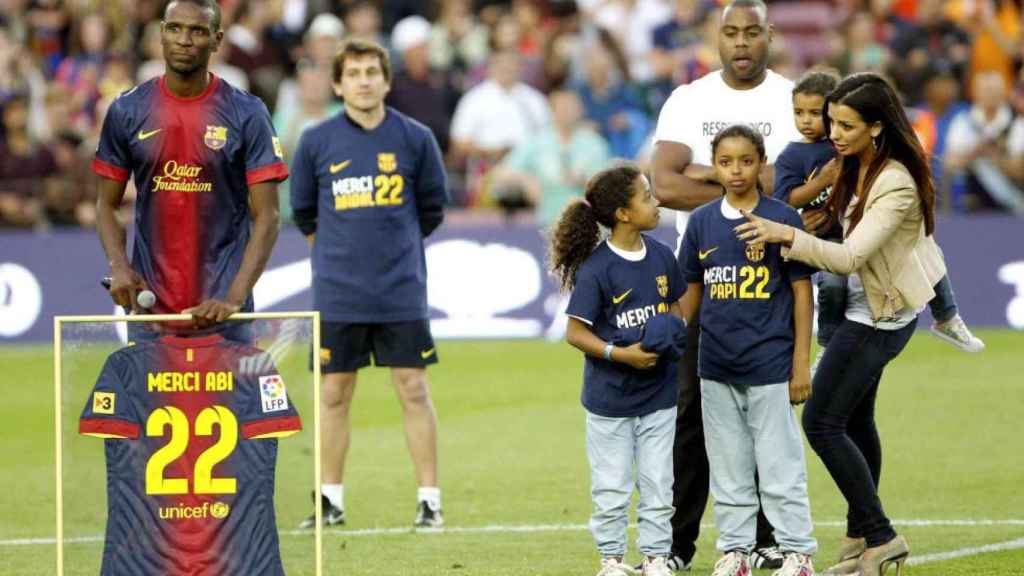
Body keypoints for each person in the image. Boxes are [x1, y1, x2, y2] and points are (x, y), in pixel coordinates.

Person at [735, 72, 947, 576]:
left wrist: (785, 234)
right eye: (831, 121)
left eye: (846, 125)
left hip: (878, 315)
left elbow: (851, 256)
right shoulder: (856, 165)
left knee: (822, 422)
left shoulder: (894, 181)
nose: (834, 132)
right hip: (863, 307)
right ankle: (858, 540)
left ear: (876, 127)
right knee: (854, 420)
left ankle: (880, 535)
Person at [651, 0, 799, 569]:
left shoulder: (790, 100)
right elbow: (662, 183)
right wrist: (743, 185)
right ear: (717, 37)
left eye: (752, 32)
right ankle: (677, 547)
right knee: (689, 413)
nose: (741, 43)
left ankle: (768, 542)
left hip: (773, 280)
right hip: (704, 275)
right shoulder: (689, 99)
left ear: (769, 34)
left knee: (767, 417)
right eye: (731, 33)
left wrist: (707, 174)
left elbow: (793, 186)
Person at [289, 39, 449, 529]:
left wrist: (391, 248)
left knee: (413, 388)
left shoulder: (416, 138)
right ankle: (329, 501)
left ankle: (429, 501)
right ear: (338, 84)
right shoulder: (315, 141)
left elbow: (432, 209)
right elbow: (303, 213)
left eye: (371, 72)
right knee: (334, 392)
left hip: (401, 289)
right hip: (339, 292)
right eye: (353, 73)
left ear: (386, 80)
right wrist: (344, 255)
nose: (363, 81)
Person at [94, 0, 287, 332]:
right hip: (151, 309)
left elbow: (267, 215)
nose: (184, 40)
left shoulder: (247, 113)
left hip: (224, 311)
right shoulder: (127, 110)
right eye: (175, 29)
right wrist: (120, 266)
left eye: (198, 31)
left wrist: (234, 297)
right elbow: (106, 204)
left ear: (217, 40)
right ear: (161, 34)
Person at [680, 124, 816, 576]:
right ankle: (735, 551)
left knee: (779, 464)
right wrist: (670, 337)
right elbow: (691, 294)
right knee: (729, 465)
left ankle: (797, 551)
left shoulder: (783, 219)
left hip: (771, 363)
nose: (735, 171)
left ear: (761, 163)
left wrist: (801, 363)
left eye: (745, 161)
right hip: (716, 365)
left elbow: (801, 293)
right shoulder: (701, 222)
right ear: (714, 166)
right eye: (725, 162)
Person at [776, 71, 985, 356]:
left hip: (867, 229)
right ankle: (827, 347)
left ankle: (946, 317)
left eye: (817, 113)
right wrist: (821, 182)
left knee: (925, 247)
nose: (807, 120)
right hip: (830, 238)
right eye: (799, 112)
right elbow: (784, 200)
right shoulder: (793, 155)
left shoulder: (858, 143)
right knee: (833, 285)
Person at [552, 164, 685, 576]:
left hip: (659, 396)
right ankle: (611, 560)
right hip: (609, 401)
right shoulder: (597, 268)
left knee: (659, 484)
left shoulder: (662, 256)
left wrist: (671, 332)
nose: (657, 201)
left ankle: (656, 558)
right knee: (611, 487)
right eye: (646, 196)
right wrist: (619, 354)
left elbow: (678, 310)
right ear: (623, 214)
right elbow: (575, 332)